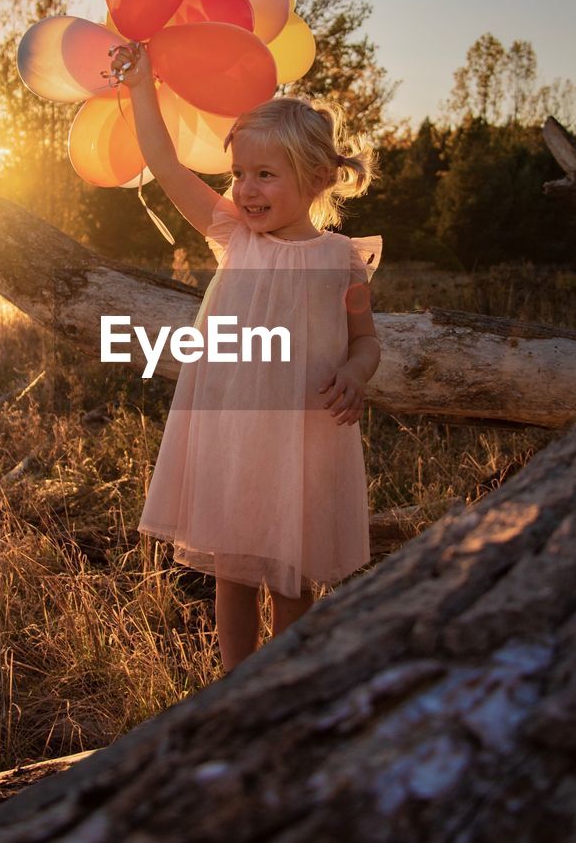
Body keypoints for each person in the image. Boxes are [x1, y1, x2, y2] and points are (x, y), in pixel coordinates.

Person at [110, 41, 382, 675]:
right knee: (232, 571)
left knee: (291, 577)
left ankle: (284, 687)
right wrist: (144, 85)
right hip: (232, 430)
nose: (247, 189)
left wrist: (354, 372)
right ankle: (234, 687)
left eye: (266, 174)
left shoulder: (341, 258)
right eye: (240, 174)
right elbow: (165, 164)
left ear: (316, 178)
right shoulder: (233, 235)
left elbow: (366, 340)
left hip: (303, 434)